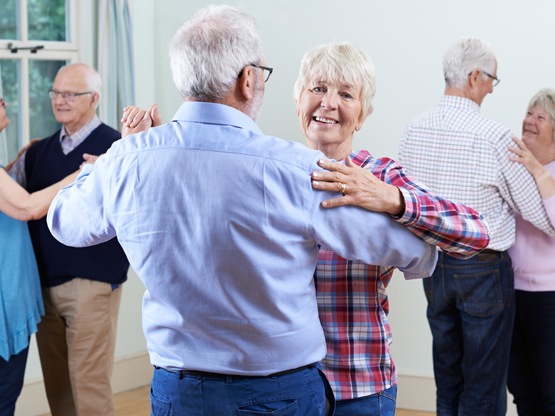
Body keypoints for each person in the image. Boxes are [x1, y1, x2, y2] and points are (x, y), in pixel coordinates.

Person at [46, 5, 439, 416]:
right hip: (277, 394)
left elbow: (64, 222)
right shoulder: (296, 170)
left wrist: (122, 153)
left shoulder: (127, 159)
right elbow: (415, 252)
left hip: (176, 392)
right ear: (248, 80)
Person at [290, 42, 490, 415]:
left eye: (346, 94)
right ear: (298, 100)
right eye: (317, 88)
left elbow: (474, 233)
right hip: (286, 389)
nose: (328, 103)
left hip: (361, 387)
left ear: (362, 115)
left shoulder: (380, 175)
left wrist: (392, 199)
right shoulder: (274, 173)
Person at [398, 37, 555, 416]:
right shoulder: (493, 136)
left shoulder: (413, 129)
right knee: (483, 384)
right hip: (484, 270)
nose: (491, 88)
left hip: (434, 267)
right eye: (492, 80)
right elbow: (542, 215)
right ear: (474, 77)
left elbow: (405, 201)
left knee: (448, 376)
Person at [8, 64, 129, 416]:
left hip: (91, 286)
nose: (60, 100)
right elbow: (11, 199)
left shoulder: (117, 148)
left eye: (70, 94)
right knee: (58, 392)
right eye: (56, 92)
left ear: (94, 99)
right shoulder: (37, 151)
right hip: (42, 288)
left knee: (89, 392)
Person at [0, 97, 85, 415]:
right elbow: (27, 207)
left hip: (10, 301)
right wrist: (83, 172)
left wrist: (15, 165)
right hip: (4, 310)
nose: (5, 102)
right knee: (4, 397)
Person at [506, 88, 555, 415]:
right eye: (528, 112)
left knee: (552, 393)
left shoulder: (538, 170)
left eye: (541, 117)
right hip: (509, 295)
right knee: (523, 392)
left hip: (549, 299)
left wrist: (538, 170)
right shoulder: (514, 167)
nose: (530, 121)